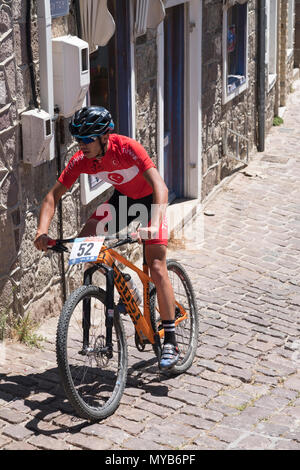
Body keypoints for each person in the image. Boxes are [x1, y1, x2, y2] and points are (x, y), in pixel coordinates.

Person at [34, 106, 179, 369]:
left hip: (151, 201)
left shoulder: (127, 148)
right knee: (86, 243)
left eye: (87, 139)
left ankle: (170, 339)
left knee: (156, 265)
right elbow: (51, 197)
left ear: (104, 137)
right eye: (78, 139)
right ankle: (126, 286)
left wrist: (154, 224)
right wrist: (42, 232)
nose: (82, 145)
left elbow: (161, 187)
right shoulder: (82, 160)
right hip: (122, 201)